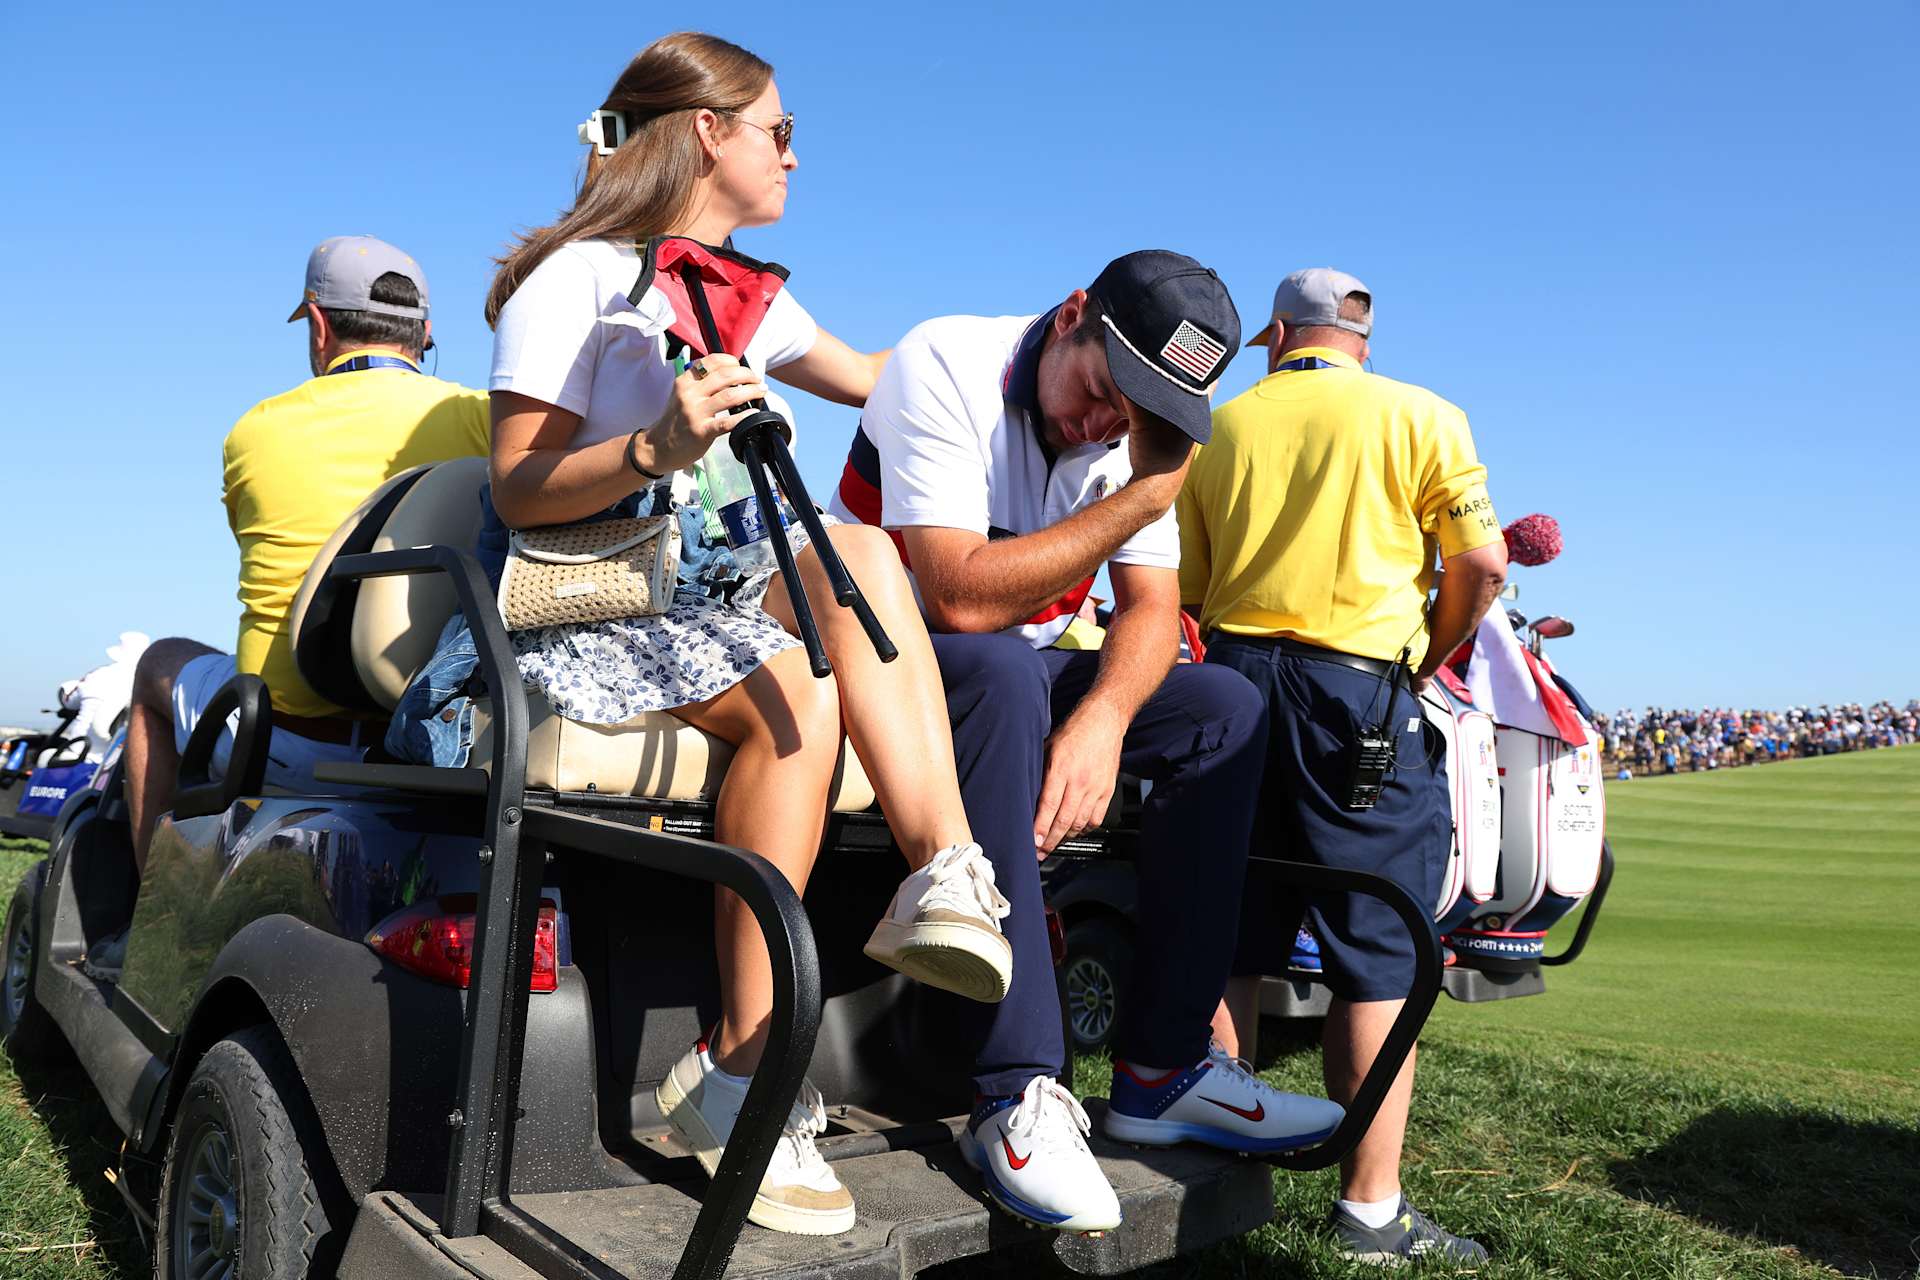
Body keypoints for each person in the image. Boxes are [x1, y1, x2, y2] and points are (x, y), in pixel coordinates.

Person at [450, 32, 1012, 1238]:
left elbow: (880, 379)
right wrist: (658, 444)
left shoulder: (751, 291)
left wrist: (1034, 365)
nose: (796, 156)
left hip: (701, 595)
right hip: (590, 595)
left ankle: (946, 876)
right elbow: (515, 489)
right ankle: (743, 1069)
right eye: (781, 131)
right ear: (710, 131)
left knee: (860, 551)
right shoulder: (579, 280)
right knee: (796, 691)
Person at [830, 250, 1345, 1232]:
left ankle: (1161, 1067)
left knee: (1222, 707)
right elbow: (955, 594)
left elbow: (1151, 613)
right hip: (874, 659)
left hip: (1002, 673)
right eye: (1107, 390)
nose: (1109, 425)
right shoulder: (946, 358)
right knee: (1005, 670)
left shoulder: (1132, 435)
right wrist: (1138, 501)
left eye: (1138, 414)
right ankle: (1013, 1090)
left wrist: (1104, 720)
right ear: (1072, 315)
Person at [1178, 268, 1507, 1265]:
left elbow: (1189, 588)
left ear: (1278, 332)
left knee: (1230, 931)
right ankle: (1370, 1213)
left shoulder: (1219, 424)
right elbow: (1483, 563)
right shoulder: (1423, 413)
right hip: (1358, 689)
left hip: (1233, 675)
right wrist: (1429, 656)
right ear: (1363, 335)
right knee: (1383, 945)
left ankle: (1209, 1189)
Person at [100, 236, 493, 980]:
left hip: (285, 744)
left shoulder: (256, 429)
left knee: (156, 667)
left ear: (319, 325)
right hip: (429, 746)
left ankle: (144, 916)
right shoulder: (482, 419)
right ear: (427, 335)